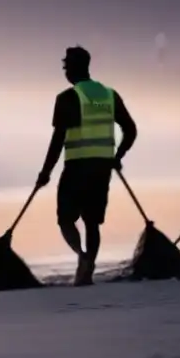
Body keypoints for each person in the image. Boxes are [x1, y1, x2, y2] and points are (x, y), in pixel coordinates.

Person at [36, 46, 137, 286]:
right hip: (102, 168)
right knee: (92, 222)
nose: (65, 71)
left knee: (65, 219)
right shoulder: (109, 95)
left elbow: (58, 139)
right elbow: (130, 130)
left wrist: (45, 172)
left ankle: (82, 257)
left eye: (66, 66)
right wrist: (117, 156)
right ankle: (87, 270)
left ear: (76, 67)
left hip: (77, 167)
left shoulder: (68, 98)